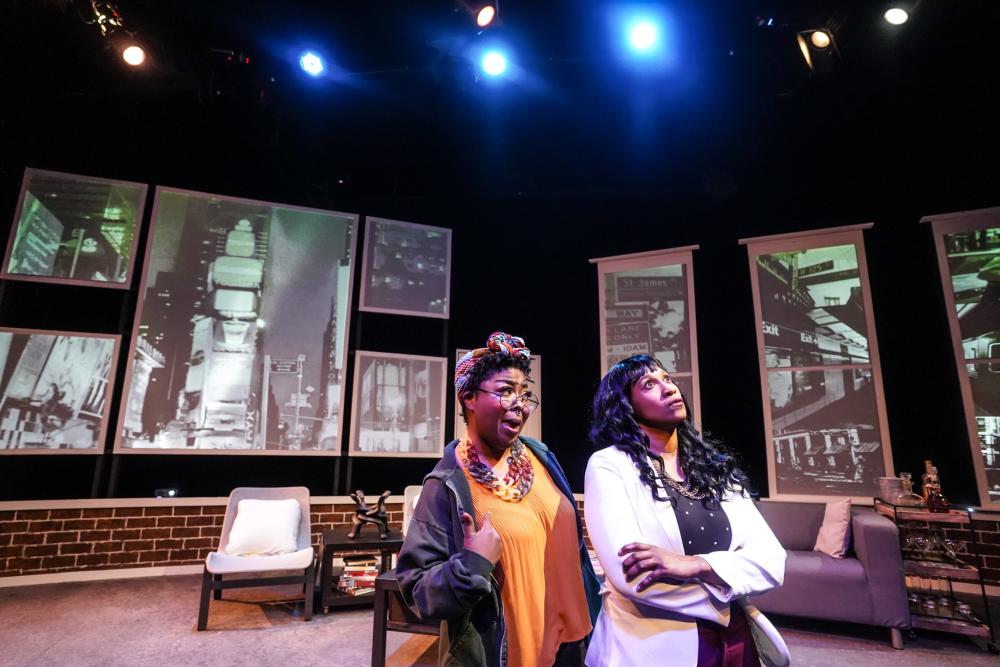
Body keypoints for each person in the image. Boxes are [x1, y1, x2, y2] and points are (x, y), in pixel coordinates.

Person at [397, 332, 601, 667]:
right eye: (506, 391)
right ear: (469, 398)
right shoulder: (446, 483)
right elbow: (416, 589)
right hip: (510, 653)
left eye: (524, 394)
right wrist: (471, 565)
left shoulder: (543, 457)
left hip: (576, 641)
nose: (519, 404)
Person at [584, 355, 785, 667]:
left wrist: (697, 565)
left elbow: (772, 560)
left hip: (736, 641)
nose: (668, 388)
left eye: (668, 379)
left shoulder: (714, 468)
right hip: (654, 646)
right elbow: (631, 577)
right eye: (649, 384)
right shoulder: (609, 465)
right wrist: (727, 588)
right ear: (625, 406)